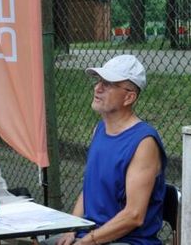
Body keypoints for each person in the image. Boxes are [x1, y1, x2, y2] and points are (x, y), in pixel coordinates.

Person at [41, 55, 166, 245]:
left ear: (129, 97)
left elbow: (134, 215)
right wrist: (72, 229)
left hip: (128, 241)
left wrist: (86, 242)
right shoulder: (99, 129)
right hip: (90, 235)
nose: (97, 88)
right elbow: (88, 190)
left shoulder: (144, 142)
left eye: (108, 84)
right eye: (98, 81)